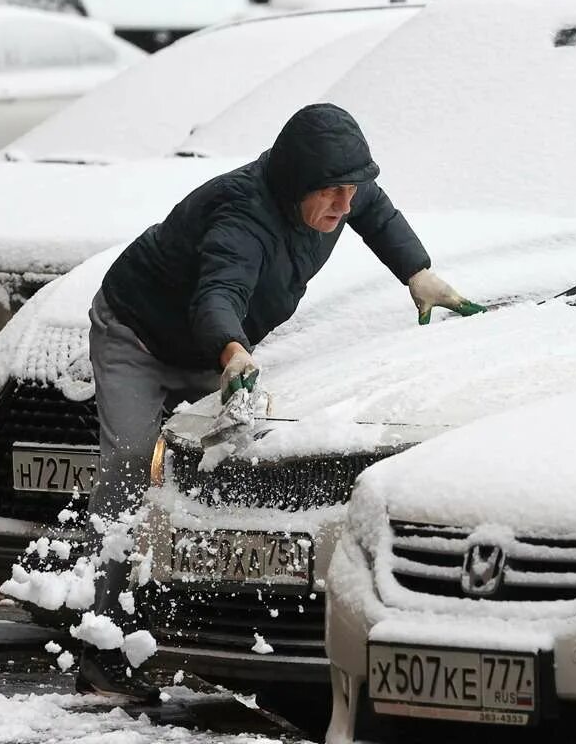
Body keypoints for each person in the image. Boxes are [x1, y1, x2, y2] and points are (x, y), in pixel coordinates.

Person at [76, 103, 483, 700]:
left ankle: (207, 616)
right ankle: (103, 642)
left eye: (351, 189)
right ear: (296, 185)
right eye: (332, 194)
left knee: (231, 459)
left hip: (218, 349)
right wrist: (232, 349)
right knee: (134, 463)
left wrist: (417, 274)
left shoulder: (340, 191)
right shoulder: (242, 216)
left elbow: (378, 213)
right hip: (138, 335)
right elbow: (219, 291)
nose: (345, 205)